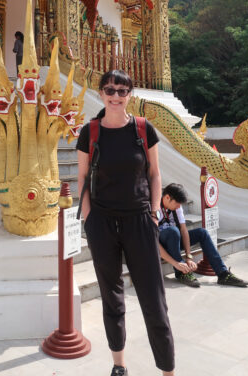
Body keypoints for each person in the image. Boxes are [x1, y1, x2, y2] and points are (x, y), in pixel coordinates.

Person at [77, 70, 175, 376]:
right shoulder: (90, 132)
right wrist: (88, 217)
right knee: (112, 297)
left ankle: (167, 370)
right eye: (110, 90)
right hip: (102, 223)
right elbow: (81, 177)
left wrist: (155, 211)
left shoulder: (144, 130)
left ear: (130, 95)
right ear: (101, 92)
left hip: (139, 220)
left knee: (153, 301)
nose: (116, 96)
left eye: (122, 91)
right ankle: (119, 365)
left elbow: (155, 174)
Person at [158, 183, 248, 288]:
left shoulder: (177, 207)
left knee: (202, 233)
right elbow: (152, 241)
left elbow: (184, 230)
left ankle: (223, 274)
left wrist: (188, 257)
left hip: (174, 240)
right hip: (159, 243)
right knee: (173, 231)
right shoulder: (153, 208)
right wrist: (176, 264)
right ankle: (182, 273)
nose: (179, 207)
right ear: (167, 197)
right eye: (177, 204)